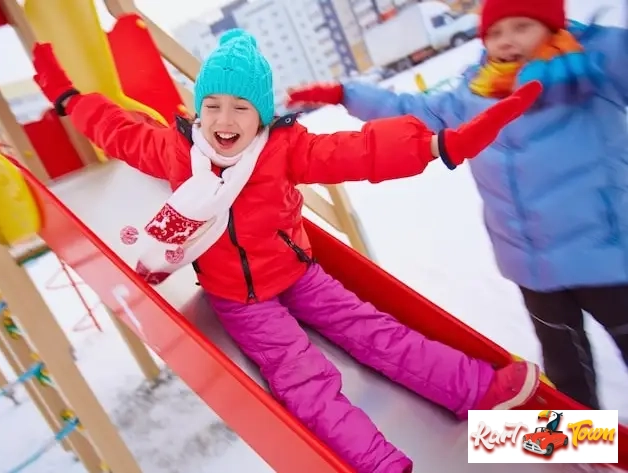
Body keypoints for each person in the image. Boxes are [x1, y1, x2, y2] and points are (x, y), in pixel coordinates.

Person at [31, 29, 542, 473]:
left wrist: (436, 145)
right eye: (213, 106)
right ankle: (378, 462)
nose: (224, 120)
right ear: (198, 108)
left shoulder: (283, 149)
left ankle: (481, 392)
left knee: (377, 331)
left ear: (262, 116)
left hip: (300, 274)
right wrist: (68, 97)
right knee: (303, 378)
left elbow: (358, 150)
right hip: (240, 299)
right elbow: (118, 130)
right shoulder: (175, 152)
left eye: (241, 107)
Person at [285, 0, 628, 410]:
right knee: (567, 374)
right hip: (532, 269)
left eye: (522, 27)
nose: (507, 41)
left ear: (553, 27)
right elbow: (410, 112)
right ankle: (583, 455)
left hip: (607, 259)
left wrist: (597, 38)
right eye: (496, 32)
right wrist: (345, 93)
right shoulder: (474, 90)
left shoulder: (593, 67)